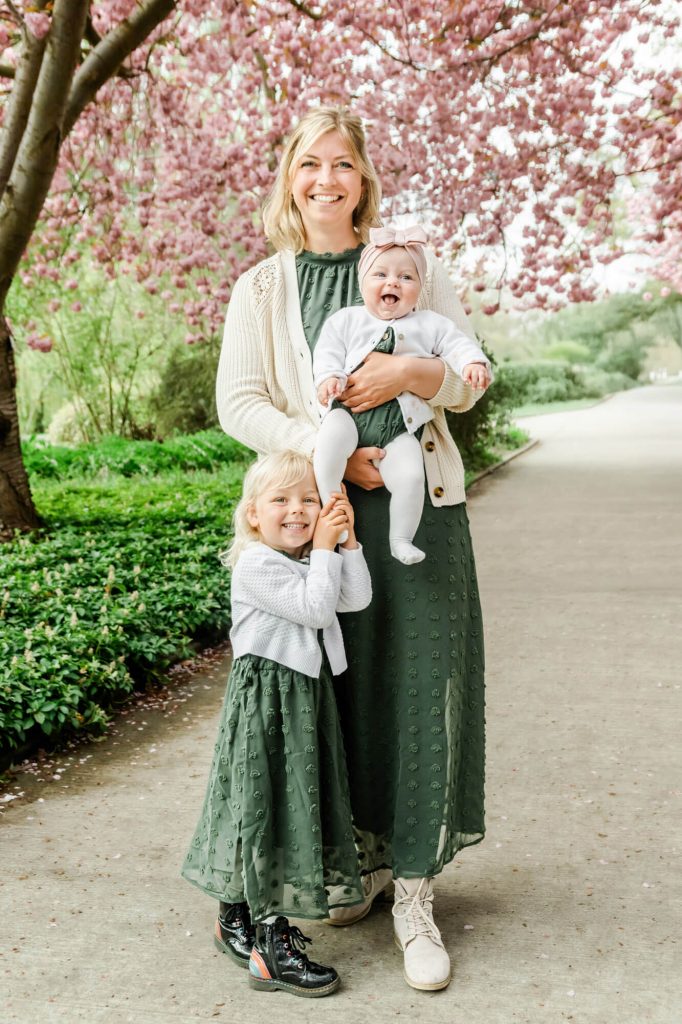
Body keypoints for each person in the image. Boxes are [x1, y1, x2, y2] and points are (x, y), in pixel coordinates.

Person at [214, 105, 487, 993]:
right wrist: (330, 445)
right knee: (333, 696)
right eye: (308, 165)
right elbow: (239, 401)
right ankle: (356, 866)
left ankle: (414, 894)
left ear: (364, 178)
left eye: (342, 164)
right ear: (289, 180)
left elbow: (471, 379)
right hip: (318, 518)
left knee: (416, 691)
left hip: (418, 516)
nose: (326, 179)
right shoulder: (261, 287)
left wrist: (414, 376)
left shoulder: (417, 266)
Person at [181, 450, 372, 997]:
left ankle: (236, 916)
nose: (298, 510)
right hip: (268, 702)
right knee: (270, 809)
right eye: (281, 500)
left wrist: (349, 542)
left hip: (305, 699)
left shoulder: (313, 561)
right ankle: (270, 944)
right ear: (253, 516)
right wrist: (323, 549)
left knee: (281, 803)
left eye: (309, 500)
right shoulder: (258, 565)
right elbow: (316, 611)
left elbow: (354, 598)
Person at [313, 223, 491, 565]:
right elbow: (328, 353)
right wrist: (329, 378)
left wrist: (472, 363)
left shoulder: (429, 324)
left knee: (411, 475)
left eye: (406, 278)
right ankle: (331, 501)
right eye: (380, 274)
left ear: (419, 288)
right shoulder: (346, 320)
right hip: (348, 415)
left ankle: (401, 538)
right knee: (328, 446)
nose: (392, 282)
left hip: (399, 428)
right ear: (362, 283)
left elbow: (457, 344)